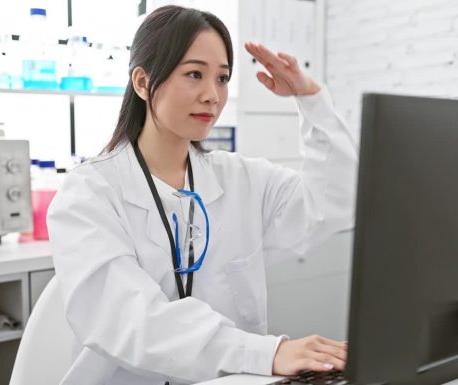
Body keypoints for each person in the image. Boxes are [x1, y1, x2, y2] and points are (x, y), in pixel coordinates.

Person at [47, 5, 357, 385]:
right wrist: (265, 352)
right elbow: (130, 321)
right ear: (143, 83)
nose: (213, 95)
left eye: (223, 78)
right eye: (194, 74)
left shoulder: (243, 179)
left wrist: (311, 99)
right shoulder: (88, 194)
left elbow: (336, 203)